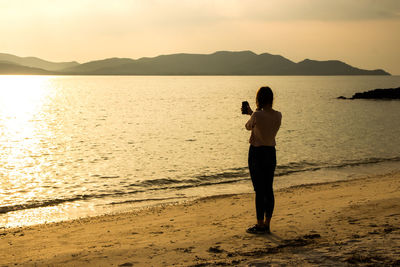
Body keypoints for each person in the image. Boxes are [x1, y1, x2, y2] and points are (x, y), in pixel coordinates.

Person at [242, 86, 282, 234]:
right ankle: (267, 224)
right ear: (271, 99)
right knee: (268, 189)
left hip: (257, 153)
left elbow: (248, 126)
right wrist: (252, 113)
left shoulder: (257, 115)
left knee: (259, 190)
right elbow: (264, 124)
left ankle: (259, 225)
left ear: (258, 99)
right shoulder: (278, 115)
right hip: (270, 153)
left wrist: (251, 114)